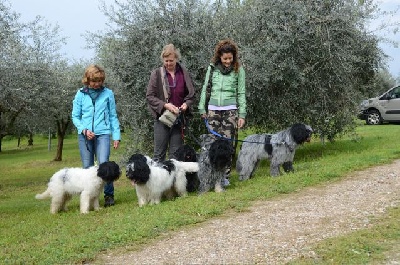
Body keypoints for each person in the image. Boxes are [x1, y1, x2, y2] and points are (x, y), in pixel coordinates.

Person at [198, 39, 247, 185]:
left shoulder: (239, 69)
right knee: (212, 144)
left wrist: (242, 114)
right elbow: (206, 87)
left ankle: (224, 177)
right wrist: (202, 107)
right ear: (219, 56)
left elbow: (241, 93)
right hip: (213, 110)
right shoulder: (212, 68)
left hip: (230, 111)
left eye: (230, 58)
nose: (227, 61)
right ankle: (211, 175)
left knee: (227, 145)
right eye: (225, 58)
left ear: (234, 57)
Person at [72, 64, 121, 207]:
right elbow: (75, 116)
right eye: (94, 81)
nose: (97, 84)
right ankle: (90, 198)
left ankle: (109, 195)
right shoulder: (80, 94)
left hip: (103, 134)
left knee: (104, 164)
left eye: (99, 81)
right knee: (87, 167)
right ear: (87, 80)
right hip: (85, 136)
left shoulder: (108, 94)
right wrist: (84, 130)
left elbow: (113, 116)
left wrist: (116, 135)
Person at [146, 44, 196, 162]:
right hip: (162, 118)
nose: (168, 63)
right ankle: (158, 180)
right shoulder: (157, 74)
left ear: (176, 59)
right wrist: (165, 105)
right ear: (163, 59)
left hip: (178, 119)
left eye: (171, 61)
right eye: (166, 61)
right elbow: (150, 96)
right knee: (159, 154)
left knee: (176, 155)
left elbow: (191, 94)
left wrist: (186, 104)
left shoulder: (183, 72)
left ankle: (173, 180)